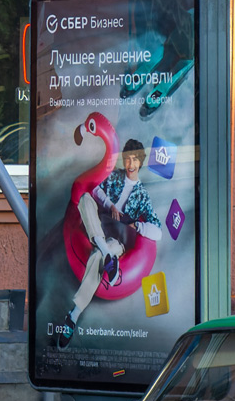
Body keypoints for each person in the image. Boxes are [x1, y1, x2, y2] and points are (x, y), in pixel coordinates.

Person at [58, 139, 162, 349]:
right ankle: (106, 254)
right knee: (86, 198)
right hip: (95, 228)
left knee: (98, 255)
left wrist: (135, 226)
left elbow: (158, 231)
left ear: (140, 162)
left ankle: (74, 314)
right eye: (127, 159)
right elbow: (95, 190)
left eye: (134, 159)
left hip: (115, 242)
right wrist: (111, 205)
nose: (130, 163)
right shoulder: (114, 177)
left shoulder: (142, 195)